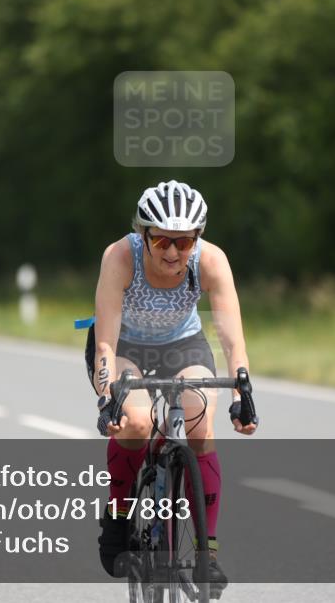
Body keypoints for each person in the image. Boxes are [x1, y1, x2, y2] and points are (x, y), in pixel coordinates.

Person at [88, 180, 258, 592]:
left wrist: (243, 394)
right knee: (138, 422)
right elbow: (106, 342)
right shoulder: (119, 257)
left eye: (183, 242)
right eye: (161, 239)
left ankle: (207, 552)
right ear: (143, 234)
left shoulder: (211, 261)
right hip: (124, 345)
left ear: (196, 239)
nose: (171, 251)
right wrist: (110, 398)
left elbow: (233, 338)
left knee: (199, 421)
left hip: (183, 346)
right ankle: (118, 516)